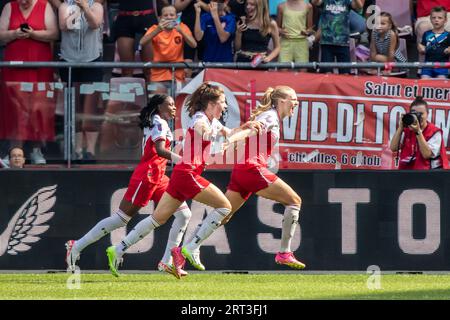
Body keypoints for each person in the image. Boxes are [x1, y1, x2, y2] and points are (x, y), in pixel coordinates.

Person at [105, 82, 262, 279]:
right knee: (224, 207)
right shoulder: (199, 119)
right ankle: (191, 247)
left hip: (181, 174)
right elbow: (202, 130)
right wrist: (241, 135)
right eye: (222, 102)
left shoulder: (213, 121)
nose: (224, 107)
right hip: (188, 173)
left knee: (157, 219)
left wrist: (245, 127)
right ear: (211, 104)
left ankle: (118, 249)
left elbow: (229, 133)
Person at [177, 86, 306, 273]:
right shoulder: (269, 117)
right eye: (293, 98)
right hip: (252, 169)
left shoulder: (272, 118)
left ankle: (188, 248)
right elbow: (249, 133)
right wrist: (233, 139)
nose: (296, 103)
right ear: (282, 101)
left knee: (223, 214)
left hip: (242, 171)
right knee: (294, 201)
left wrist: (234, 140)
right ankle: (284, 252)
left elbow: (248, 135)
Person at [66, 94, 193, 277]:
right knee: (121, 219)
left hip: (159, 176)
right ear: (159, 107)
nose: (174, 108)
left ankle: (167, 262)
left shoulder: (159, 122)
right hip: (147, 176)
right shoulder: (159, 123)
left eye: (174, 105)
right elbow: (159, 150)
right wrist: (181, 160)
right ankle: (76, 246)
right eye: (170, 105)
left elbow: (160, 149)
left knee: (184, 214)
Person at [0, 0, 59, 164]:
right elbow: (0, 35)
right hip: (14, 66)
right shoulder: (9, 7)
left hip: (39, 66)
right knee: (15, 109)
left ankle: (36, 149)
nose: (23, 2)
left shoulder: (44, 5)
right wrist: (14, 34)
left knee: (38, 108)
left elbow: (54, 34)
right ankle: (14, 152)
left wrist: (33, 34)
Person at [59, 0, 104, 161]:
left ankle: (90, 150)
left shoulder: (96, 6)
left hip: (91, 60)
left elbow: (95, 24)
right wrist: (77, 10)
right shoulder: (64, 6)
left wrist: (85, 7)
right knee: (74, 107)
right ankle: (77, 149)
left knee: (90, 107)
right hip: (69, 60)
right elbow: (65, 26)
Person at [139, 5, 197, 92]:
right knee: (158, 103)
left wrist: (181, 31)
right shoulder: (155, 28)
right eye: (165, 15)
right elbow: (142, 42)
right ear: (160, 18)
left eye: (171, 15)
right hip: (158, 74)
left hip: (177, 74)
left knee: (177, 104)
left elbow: (193, 45)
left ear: (176, 17)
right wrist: (158, 30)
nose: (169, 17)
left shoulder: (182, 27)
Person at [113, 0, 168, 80]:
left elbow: (164, 2)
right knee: (126, 71)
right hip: (124, 17)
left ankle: (152, 92)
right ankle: (128, 92)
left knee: (150, 70)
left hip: (147, 17)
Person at [390, 96, 449, 170]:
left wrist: (418, 132)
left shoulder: (435, 132)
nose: (418, 116)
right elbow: (393, 148)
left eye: (421, 114)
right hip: (407, 172)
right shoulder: (407, 130)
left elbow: (426, 155)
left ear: (427, 114)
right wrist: (401, 127)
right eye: (415, 113)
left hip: (428, 173)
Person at [311, 0, 364, 74]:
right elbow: (314, 2)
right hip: (327, 42)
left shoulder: (347, 1)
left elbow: (359, 6)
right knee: (327, 73)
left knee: (345, 73)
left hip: (343, 43)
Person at [418, 6, 450, 79]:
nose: (436, 20)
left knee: (441, 81)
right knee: (424, 81)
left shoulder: (448, 35)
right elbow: (422, 47)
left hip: (442, 66)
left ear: (445, 20)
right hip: (427, 65)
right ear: (430, 19)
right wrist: (421, 48)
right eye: (434, 18)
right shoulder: (426, 34)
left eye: (440, 18)